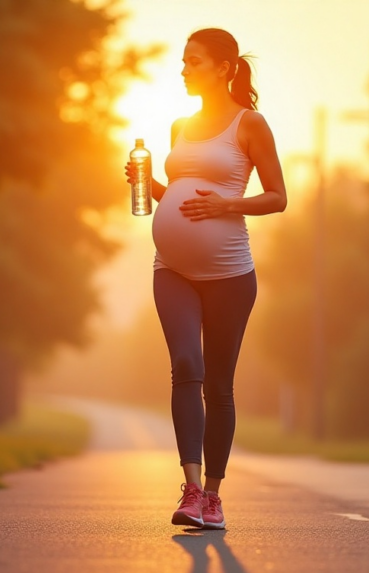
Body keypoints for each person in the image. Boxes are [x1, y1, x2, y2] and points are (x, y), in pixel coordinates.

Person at [125, 27, 287, 530]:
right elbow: (175, 193)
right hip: (171, 268)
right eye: (183, 61)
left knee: (218, 384)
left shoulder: (249, 123)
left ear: (224, 67)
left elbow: (278, 196)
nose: (184, 69)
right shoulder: (179, 126)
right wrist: (144, 185)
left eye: (193, 61)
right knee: (184, 363)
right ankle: (191, 489)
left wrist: (227, 203)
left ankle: (213, 497)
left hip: (229, 274)